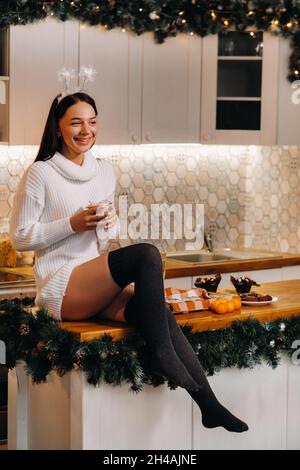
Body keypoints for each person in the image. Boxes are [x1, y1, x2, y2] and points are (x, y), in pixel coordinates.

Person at [9, 92, 248, 433]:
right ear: (58, 127)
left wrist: (109, 223)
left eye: (92, 121)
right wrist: (71, 224)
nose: (85, 130)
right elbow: (20, 237)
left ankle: (209, 405)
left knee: (158, 314)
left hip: (91, 283)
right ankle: (162, 357)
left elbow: (105, 240)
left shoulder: (104, 170)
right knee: (146, 253)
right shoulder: (41, 174)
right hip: (60, 287)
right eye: (76, 122)